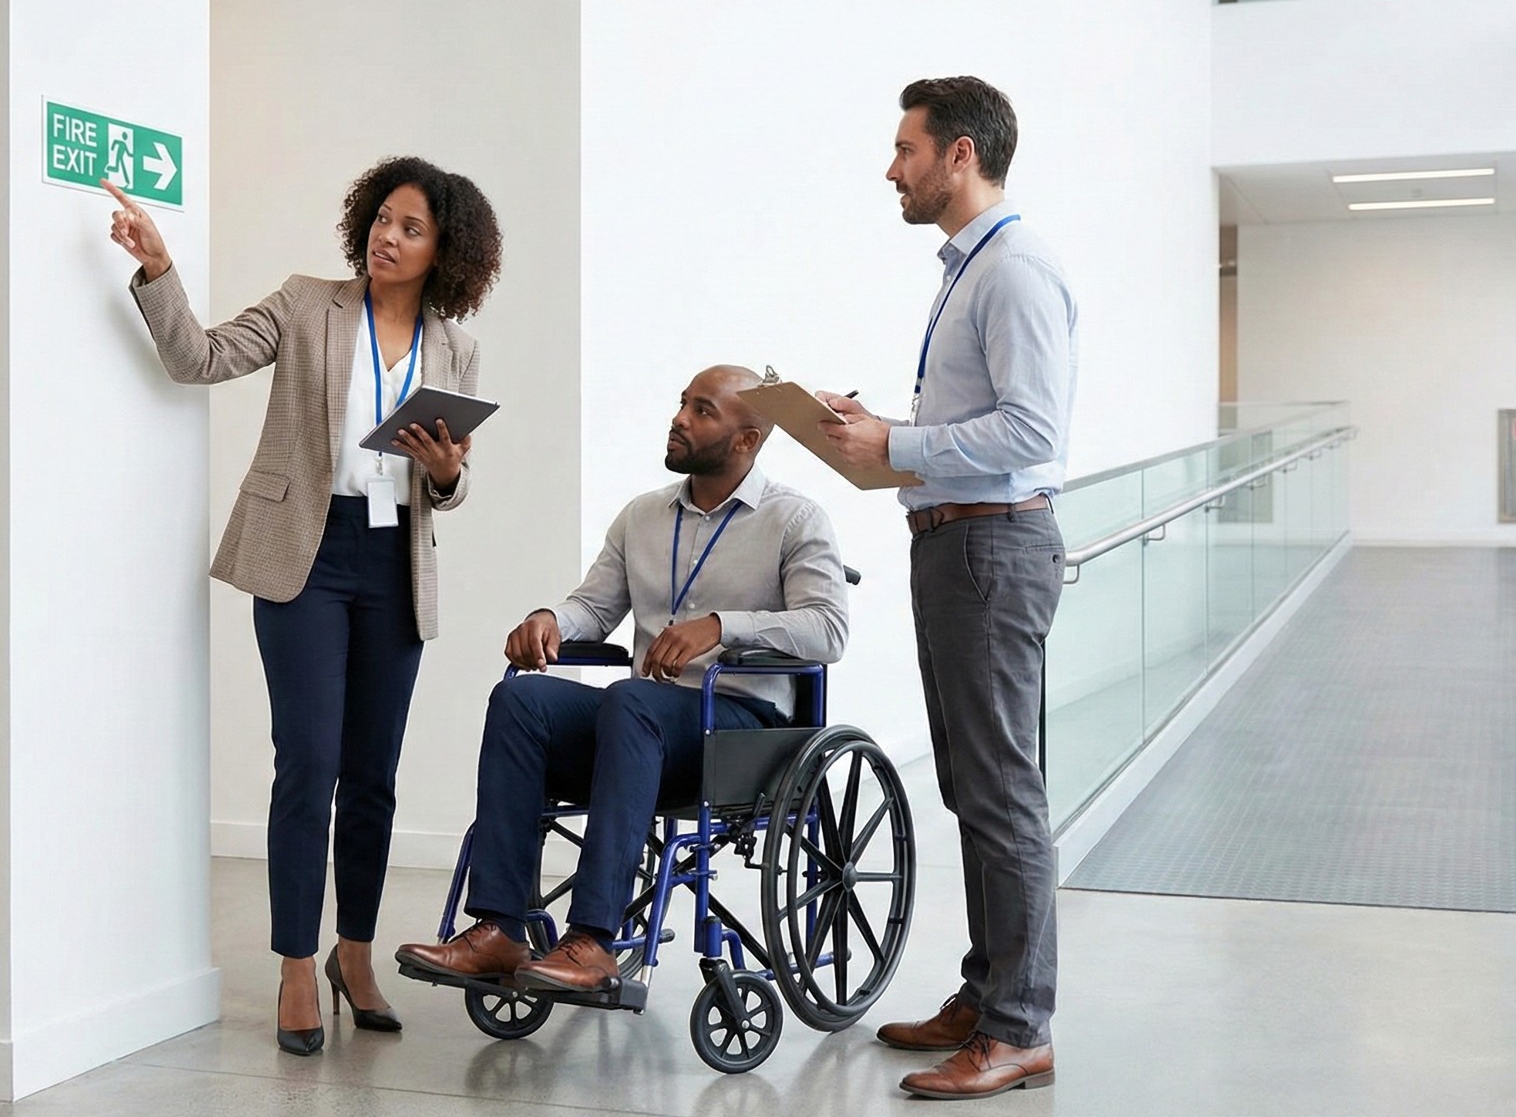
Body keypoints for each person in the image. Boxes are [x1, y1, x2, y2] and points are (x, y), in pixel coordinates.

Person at [105, 157, 503, 1055]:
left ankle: (352, 955)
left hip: (393, 565)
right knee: (308, 765)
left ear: (446, 252)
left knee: (373, 776)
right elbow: (197, 358)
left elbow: (450, 482)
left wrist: (447, 473)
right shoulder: (304, 302)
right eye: (383, 219)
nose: (388, 238)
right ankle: (294, 963)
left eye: (412, 228)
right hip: (305, 557)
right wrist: (160, 269)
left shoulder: (455, 350)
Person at [393, 366, 848, 992]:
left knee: (630, 700)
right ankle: (498, 927)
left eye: (703, 410)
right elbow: (596, 607)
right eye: (682, 402)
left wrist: (722, 626)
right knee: (521, 697)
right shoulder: (643, 516)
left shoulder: (794, 520)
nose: (680, 418)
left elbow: (827, 631)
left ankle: (592, 941)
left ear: (747, 439)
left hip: (736, 730)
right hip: (638, 726)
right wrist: (550, 617)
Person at [819, 76, 1077, 1101]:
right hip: (955, 543)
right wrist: (879, 432)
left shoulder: (1014, 270)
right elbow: (984, 426)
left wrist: (900, 440)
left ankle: (1019, 1026)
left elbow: (1032, 433)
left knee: (1002, 790)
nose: (893, 169)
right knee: (971, 787)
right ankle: (987, 993)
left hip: (992, 549)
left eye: (906, 149)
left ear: (959, 154)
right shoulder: (970, 272)